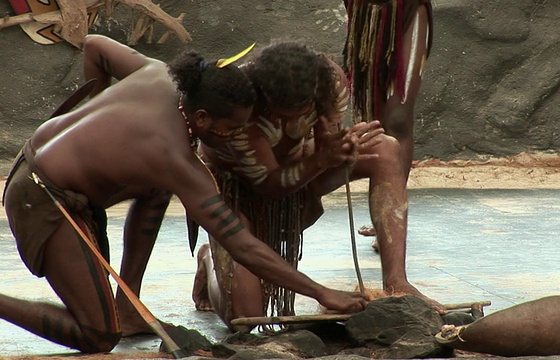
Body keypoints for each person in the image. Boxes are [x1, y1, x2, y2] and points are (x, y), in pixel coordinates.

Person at [0, 34, 367, 354]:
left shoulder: (161, 74)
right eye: (231, 129)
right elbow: (242, 245)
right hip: (41, 197)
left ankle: (128, 306)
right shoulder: (175, 159)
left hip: (35, 158)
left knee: (155, 187)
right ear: (204, 119)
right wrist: (321, 293)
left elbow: (96, 46)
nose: (237, 137)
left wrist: (95, 112)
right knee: (99, 334)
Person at [190, 41, 445, 330]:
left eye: (302, 111)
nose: (295, 120)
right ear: (264, 97)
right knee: (245, 319)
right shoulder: (241, 104)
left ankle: (397, 281)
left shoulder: (329, 82)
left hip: (300, 166)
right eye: (283, 114)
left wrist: (341, 146)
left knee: (383, 148)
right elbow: (269, 185)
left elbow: (326, 142)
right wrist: (323, 159)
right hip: (240, 187)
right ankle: (210, 257)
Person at [343, 0, 434, 242]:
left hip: (407, 8)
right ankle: (383, 216)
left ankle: (392, 220)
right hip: (365, 11)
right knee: (376, 118)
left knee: (398, 119)